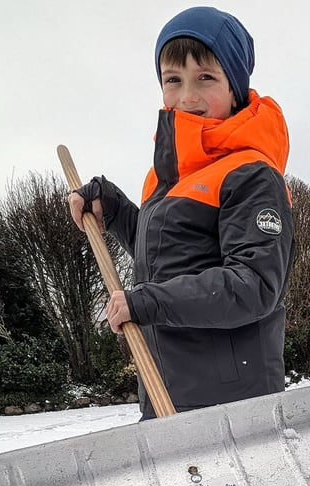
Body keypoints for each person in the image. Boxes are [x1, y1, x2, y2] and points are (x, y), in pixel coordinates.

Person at [68, 6, 294, 419]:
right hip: (167, 396)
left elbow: (254, 284)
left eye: (205, 78)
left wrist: (145, 303)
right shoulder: (165, 178)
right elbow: (168, 256)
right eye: (173, 80)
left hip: (232, 407)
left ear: (235, 88)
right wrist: (114, 209)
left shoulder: (251, 175)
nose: (187, 97)